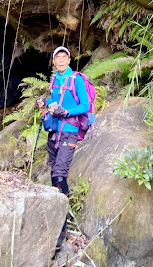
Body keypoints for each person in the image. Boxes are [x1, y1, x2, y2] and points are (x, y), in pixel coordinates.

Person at [37, 45, 89, 251]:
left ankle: (61, 230)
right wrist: (45, 102)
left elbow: (84, 106)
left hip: (68, 132)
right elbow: (54, 101)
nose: (60, 60)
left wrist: (65, 112)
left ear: (69, 61)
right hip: (54, 132)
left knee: (59, 175)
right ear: (53, 61)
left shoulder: (76, 79)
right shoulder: (55, 80)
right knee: (55, 177)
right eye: (57, 57)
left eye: (64, 57)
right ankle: (60, 218)